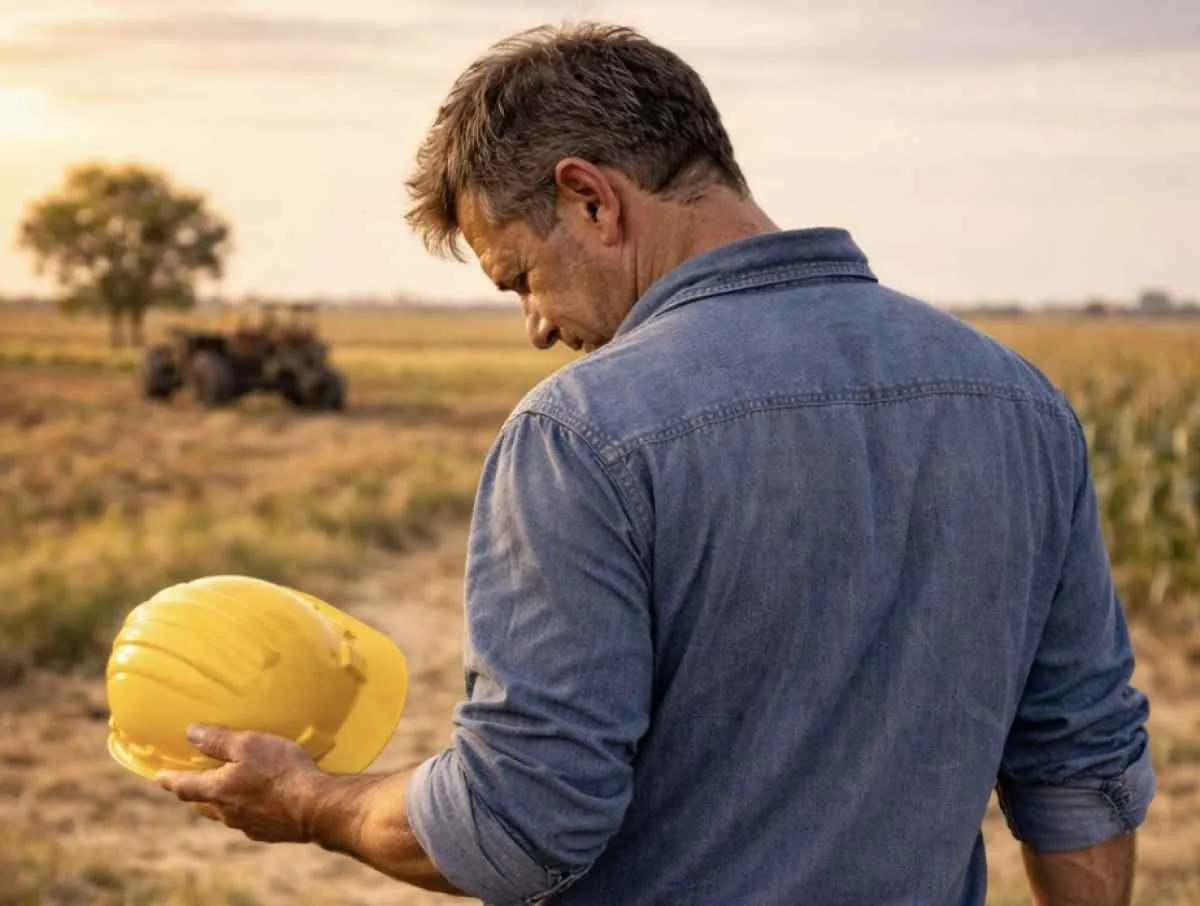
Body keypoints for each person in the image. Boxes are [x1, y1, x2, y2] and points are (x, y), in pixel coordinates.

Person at [158, 22, 1155, 906]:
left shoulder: (582, 432)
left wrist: (313, 802)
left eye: (521, 279)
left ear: (590, 198)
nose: (538, 326)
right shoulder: (1016, 399)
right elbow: (1080, 761)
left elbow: (522, 823)